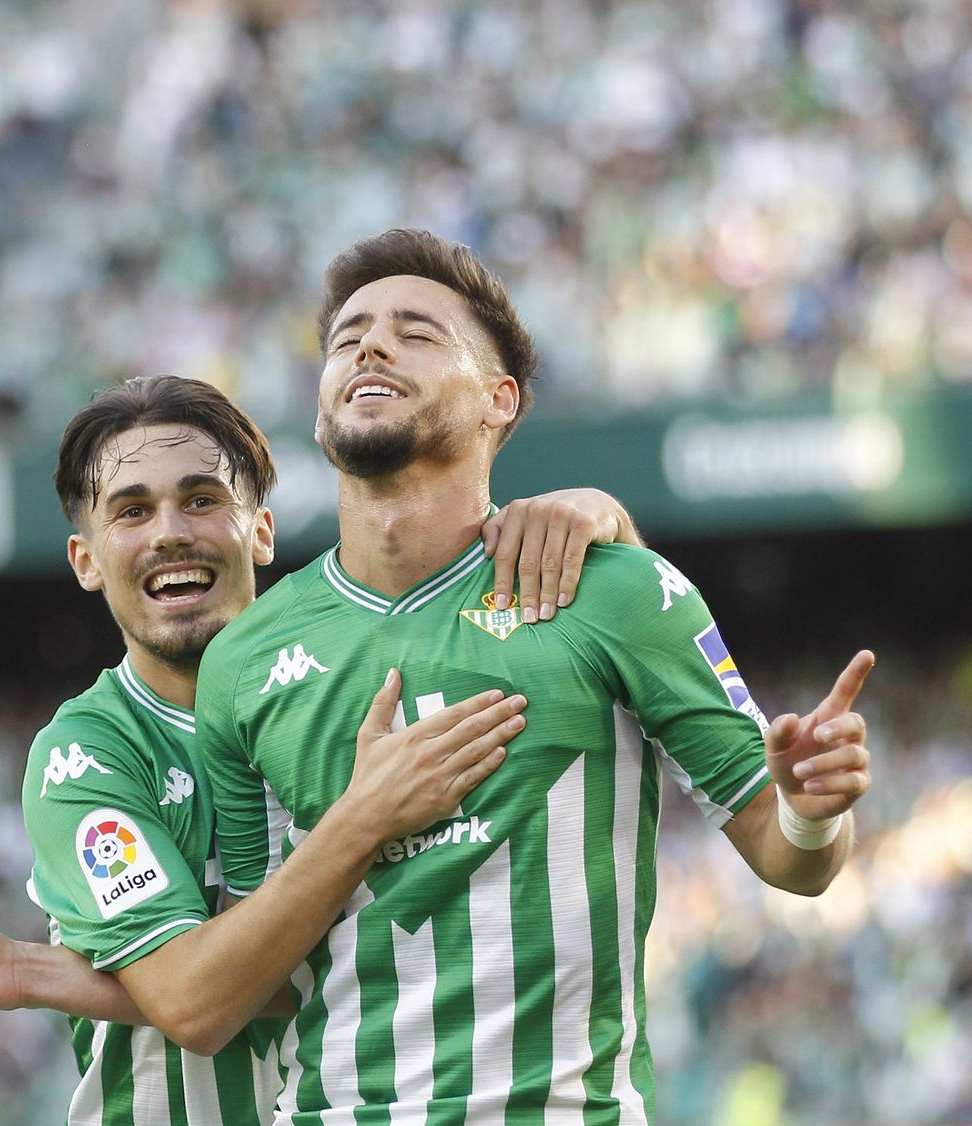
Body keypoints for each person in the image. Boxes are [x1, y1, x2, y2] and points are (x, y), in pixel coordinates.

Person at [0, 374, 646, 1124]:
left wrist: (607, 520)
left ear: (260, 531)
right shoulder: (90, 756)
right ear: (85, 559)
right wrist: (362, 820)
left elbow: (372, 969)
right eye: (132, 511)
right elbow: (196, 1003)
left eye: (201, 499)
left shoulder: (364, 692)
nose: (170, 534)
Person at [192, 228, 874, 1123]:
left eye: (418, 331)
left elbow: (791, 861)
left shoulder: (618, 590)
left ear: (498, 402)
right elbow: (253, 965)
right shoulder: (243, 660)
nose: (369, 343)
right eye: (347, 334)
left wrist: (813, 812)